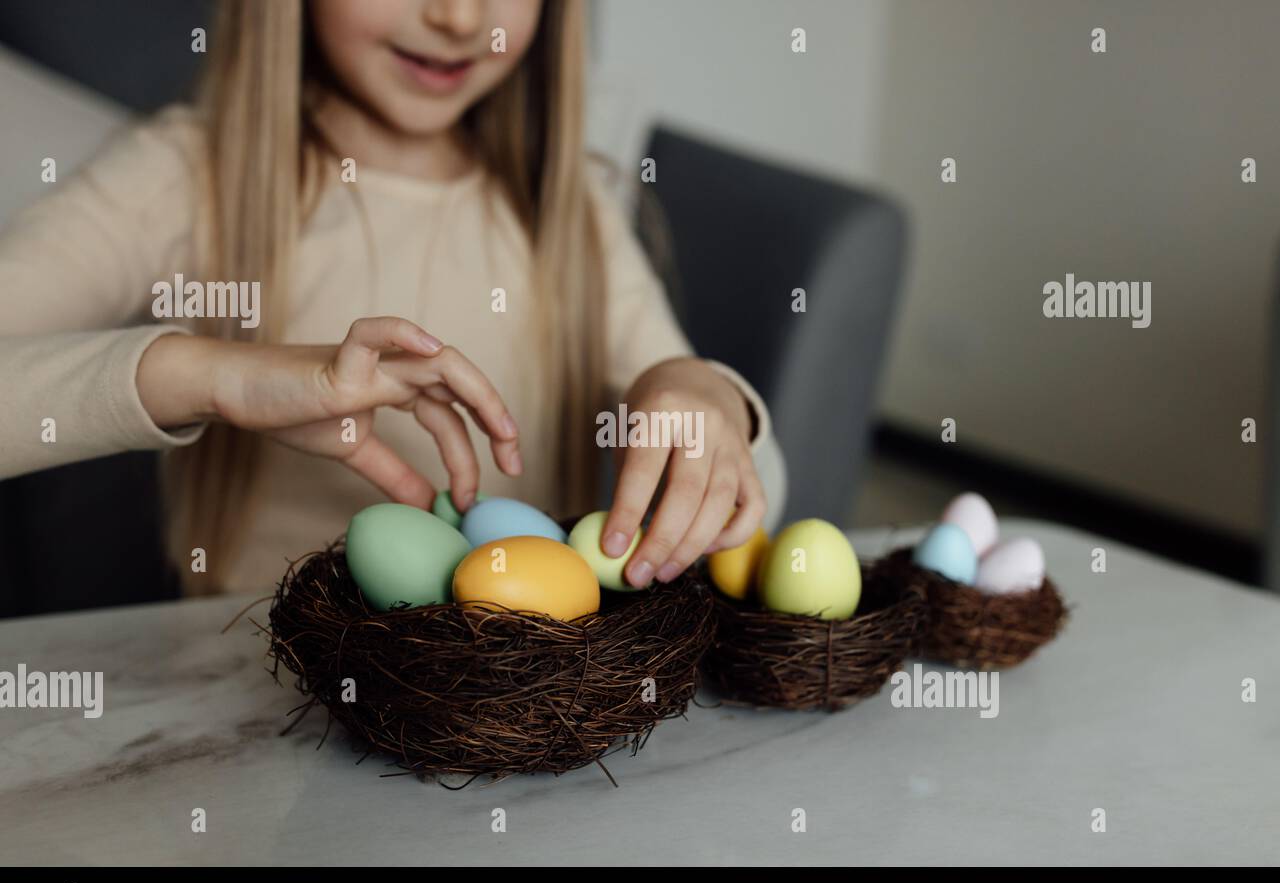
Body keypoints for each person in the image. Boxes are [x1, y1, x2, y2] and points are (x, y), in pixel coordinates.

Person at [0, 0, 782, 596]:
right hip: (251, 725)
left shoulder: (566, 212)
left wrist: (705, 397)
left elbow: (756, 500)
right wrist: (212, 377)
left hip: (527, 727)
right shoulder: (183, 178)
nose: (458, 17)